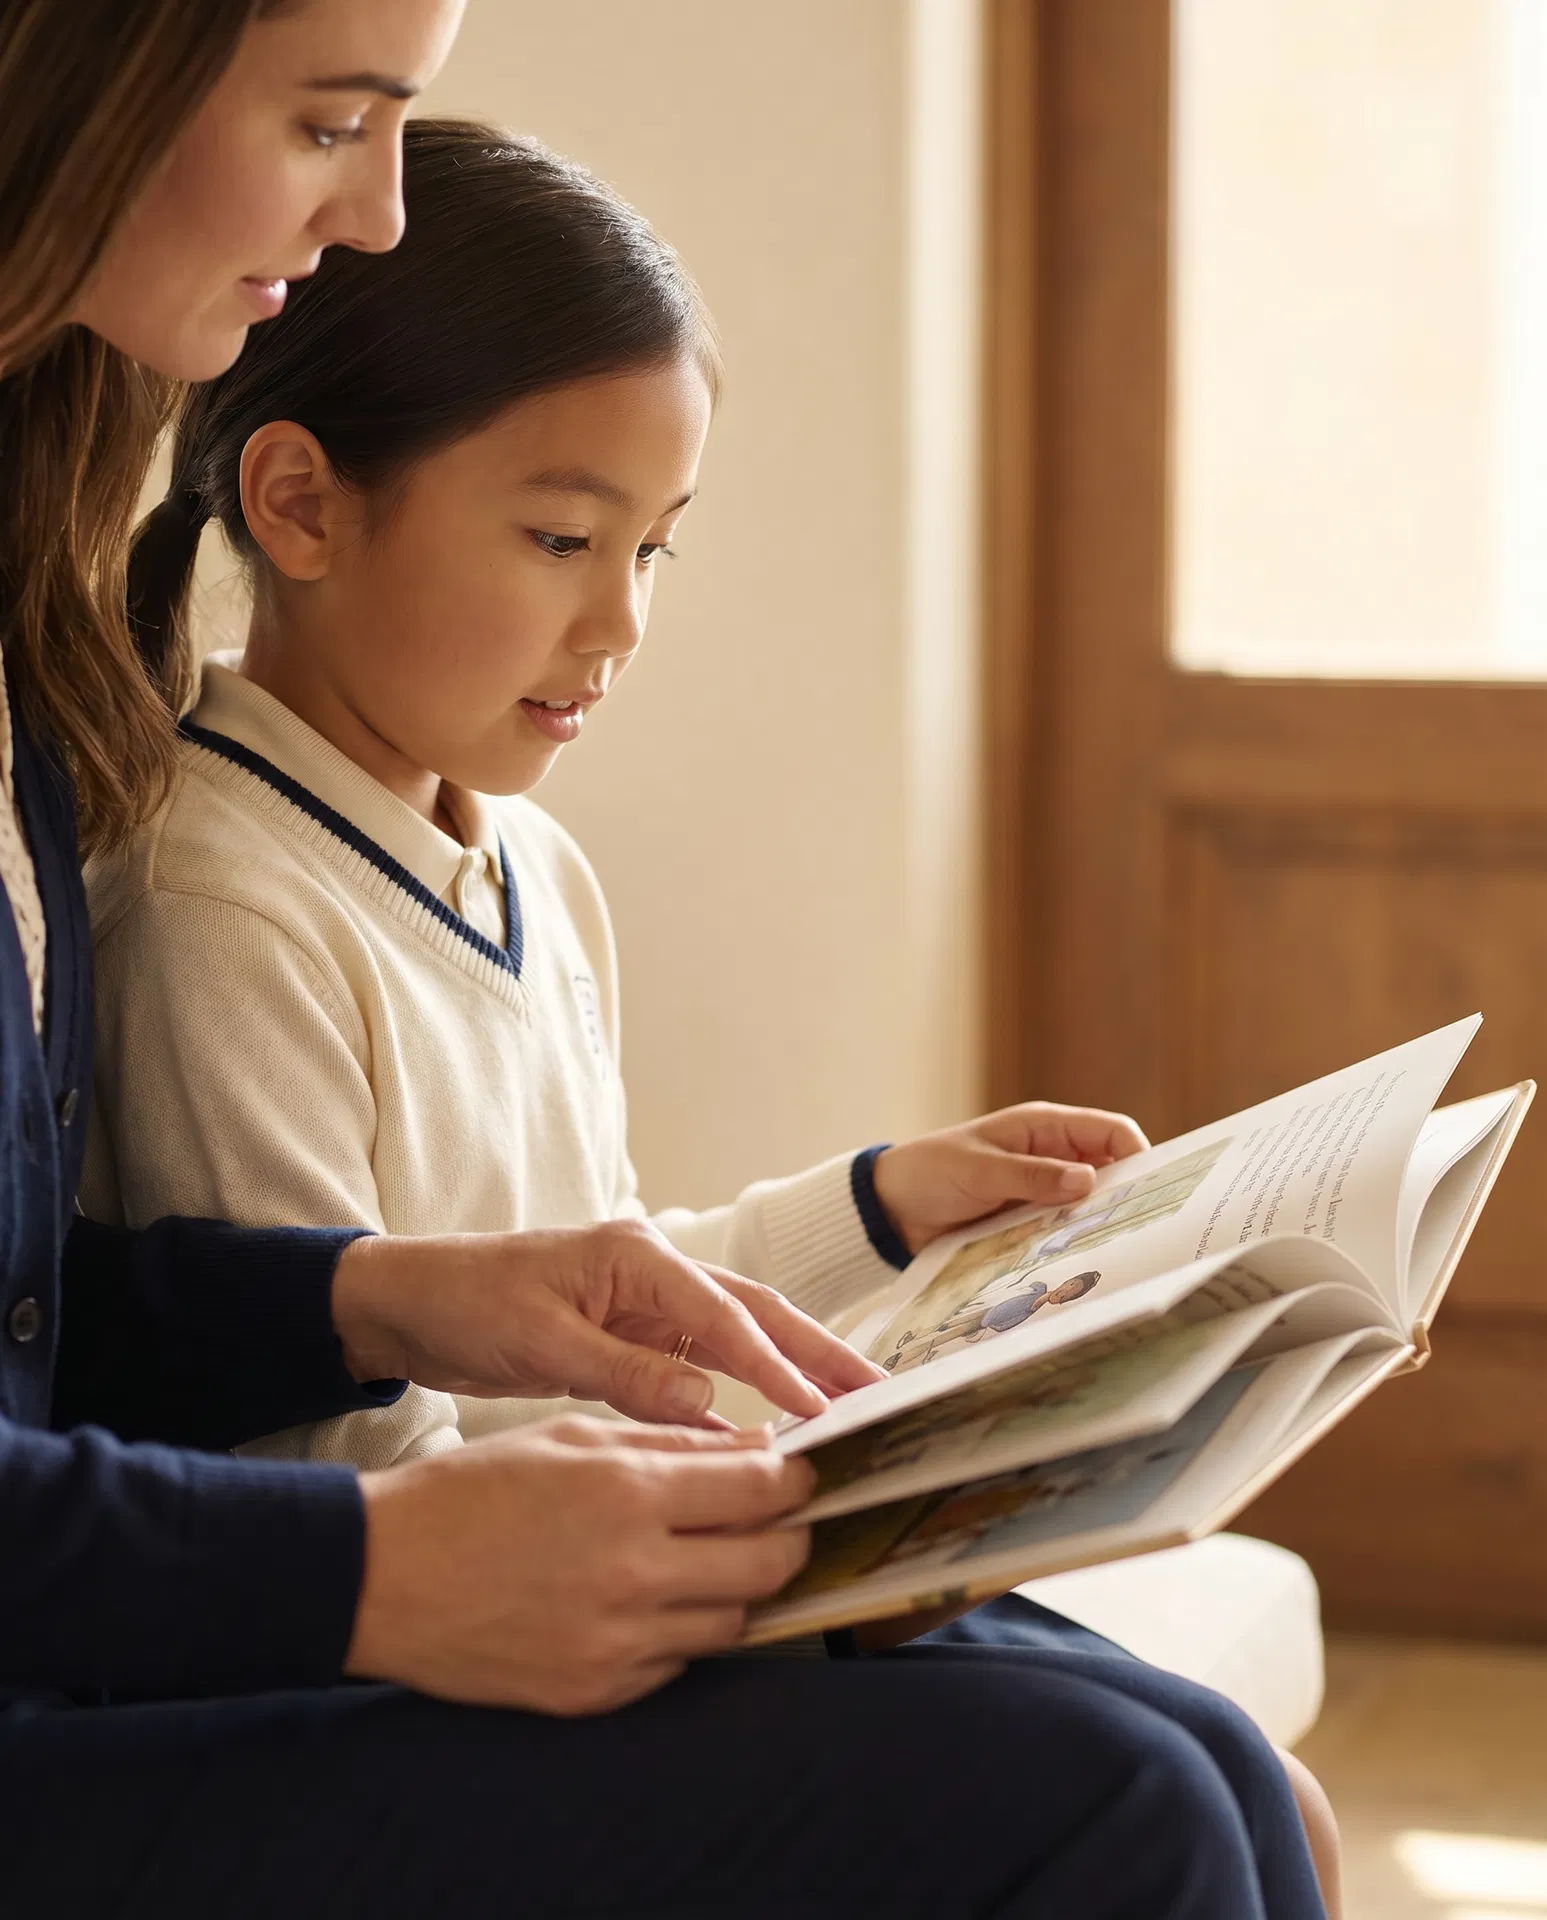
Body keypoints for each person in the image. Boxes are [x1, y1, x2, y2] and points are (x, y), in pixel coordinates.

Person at [0, 4, 1337, 1915]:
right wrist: (433, 1488)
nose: (368, 207)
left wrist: (868, 1216)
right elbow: (326, 1472)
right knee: (1116, 1797)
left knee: (1227, 1779)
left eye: (657, 551)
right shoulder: (215, 895)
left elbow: (514, 1293)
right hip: (278, 1650)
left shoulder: (477, 854)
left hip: (373, 1580)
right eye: (329, 118)